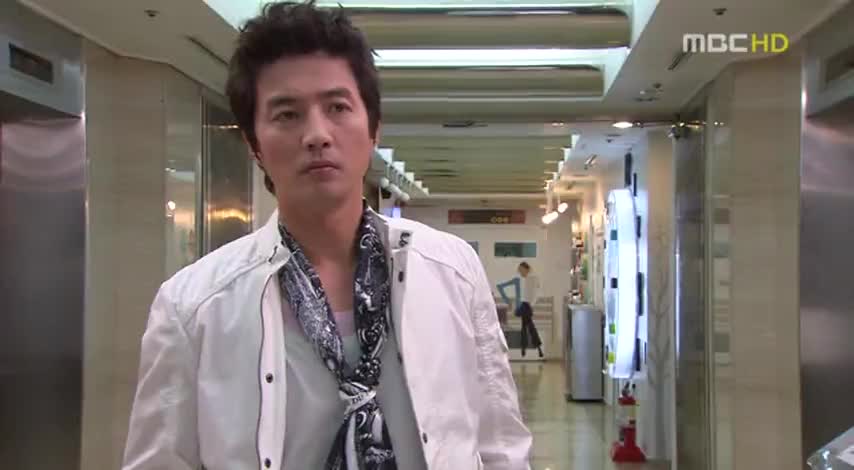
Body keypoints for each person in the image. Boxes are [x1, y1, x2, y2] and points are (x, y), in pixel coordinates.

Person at [121, 2, 532, 469]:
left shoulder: (451, 271)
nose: (316, 134)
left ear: (373, 129)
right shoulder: (193, 307)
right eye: (287, 114)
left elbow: (500, 446)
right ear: (254, 144)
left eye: (337, 107)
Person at [516, 262, 544, 358]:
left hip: (526, 306)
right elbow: (526, 294)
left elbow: (537, 292)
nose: (520, 272)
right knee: (528, 327)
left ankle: (525, 347)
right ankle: (537, 348)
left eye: (521, 270)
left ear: (526, 269)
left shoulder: (532, 278)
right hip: (525, 305)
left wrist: (532, 304)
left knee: (526, 327)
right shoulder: (527, 278)